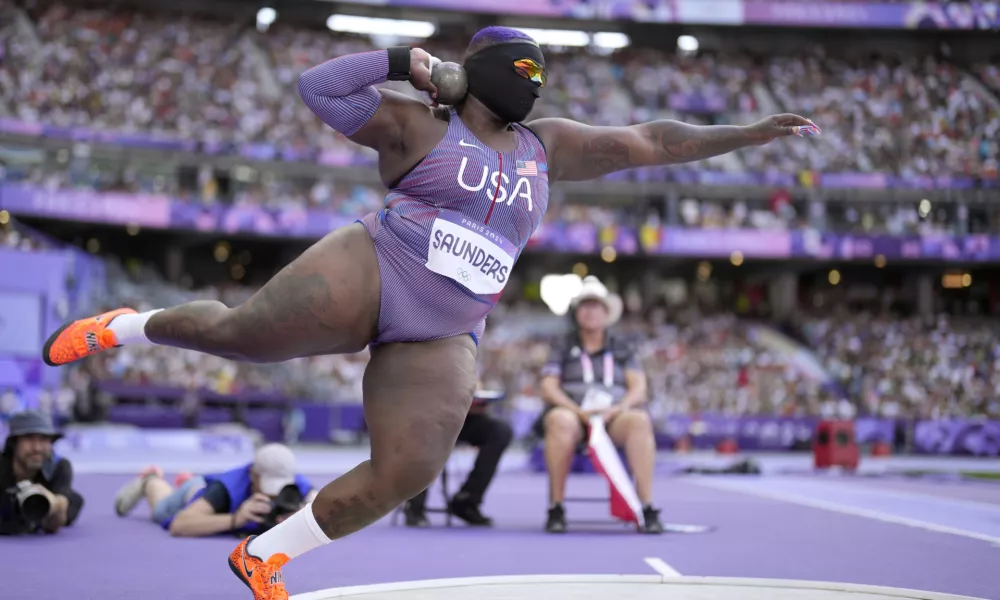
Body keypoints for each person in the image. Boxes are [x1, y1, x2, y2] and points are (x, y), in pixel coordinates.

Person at [40, 26, 818, 599]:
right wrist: (399, 64)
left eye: (537, 71)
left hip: (445, 329)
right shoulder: (419, 123)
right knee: (239, 337)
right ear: (472, 72)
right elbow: (318, 89)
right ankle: (124, 325)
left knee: (406, 473)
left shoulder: (545, 146)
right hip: (378, 266)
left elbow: (651, 138)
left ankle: (265, 555)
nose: (531, 79)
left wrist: (746, 134)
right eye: (517, 65)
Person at [536, 277, 661, 534]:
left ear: (606, 313)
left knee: (640, 421)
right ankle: (556, 507)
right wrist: (575, 409)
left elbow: (639, 387)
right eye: (585, 305)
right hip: (575, 415)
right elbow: (548, 387)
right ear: (577, 312)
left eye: (596, 306)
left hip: (612, 417)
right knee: (558, 419)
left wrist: (618, 408)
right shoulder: (563, 344)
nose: (590, 311)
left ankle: (646, 507)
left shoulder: (622, 346)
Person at [113, 443, 317, 537]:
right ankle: (151, 480)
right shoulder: (226, 488)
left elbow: (321, 502)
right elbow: (179, 525)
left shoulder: (291, 479)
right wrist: (235, 520)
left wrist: (301, 512)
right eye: (270, 485)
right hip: (194, 495)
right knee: (160, 510)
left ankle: (189, 479)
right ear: (253, 474)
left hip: (208, 490)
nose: (274, 495)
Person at [403, 386, 513, 527]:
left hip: (463, 418)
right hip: (428, 418)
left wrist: (477, 401)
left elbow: (475, 385)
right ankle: (414, 505)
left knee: (499, 432)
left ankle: (467, 500)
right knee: (425, 432)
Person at [0, 410, 84, 535]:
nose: (37, 448)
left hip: (49, 500)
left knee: (74, 502)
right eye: (29, 439)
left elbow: (54, 524)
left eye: (44, 439)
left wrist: (53, 504)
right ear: (14, 443)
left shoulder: (59, 466)